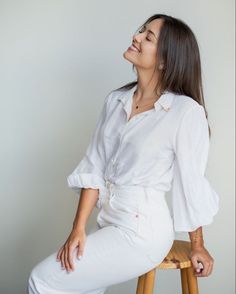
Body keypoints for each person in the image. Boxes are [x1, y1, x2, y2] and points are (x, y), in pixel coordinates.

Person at [28, 14, 219, 293]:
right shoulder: (116, 100)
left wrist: (198, 246)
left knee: (42, 279)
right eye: (141, 30)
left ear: (165, 59)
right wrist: (78, 229)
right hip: (108, 220)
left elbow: (191, 183)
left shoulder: (185, 112)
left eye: (148, 37)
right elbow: (94, 166)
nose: (137, 36)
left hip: (144, 231)